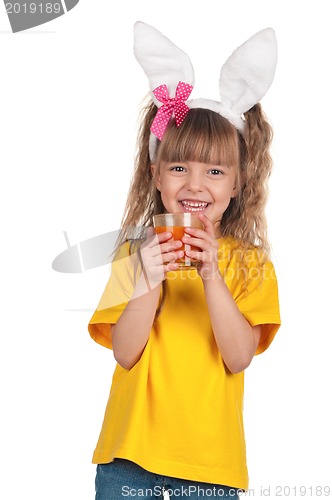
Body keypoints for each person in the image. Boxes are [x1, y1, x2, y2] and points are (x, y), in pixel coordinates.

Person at [88, 22, 281, 499]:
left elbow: (238, 358)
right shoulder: (136, 255)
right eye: (179, 167)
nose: (196, 185)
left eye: (215, 171)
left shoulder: (251, 264)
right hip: (129, 457)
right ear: (156, 174)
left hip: (210, 465)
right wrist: (148, 281)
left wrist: (212, 277)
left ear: (236, 184)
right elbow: (125, 353)